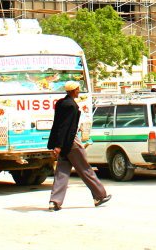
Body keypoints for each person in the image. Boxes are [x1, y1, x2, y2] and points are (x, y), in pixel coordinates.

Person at [46, 80, 111, 211]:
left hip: (64, 142)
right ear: (72, 91)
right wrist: (59, 145)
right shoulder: (71, 106)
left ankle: (54, 202)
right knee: (85, 169)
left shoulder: (60, 103)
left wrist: (57, 144)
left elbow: (57, 125)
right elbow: (65, 127)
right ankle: (100, 195)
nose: (78, 91)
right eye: (77, 89)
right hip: (71, 142)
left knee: (61, 172)